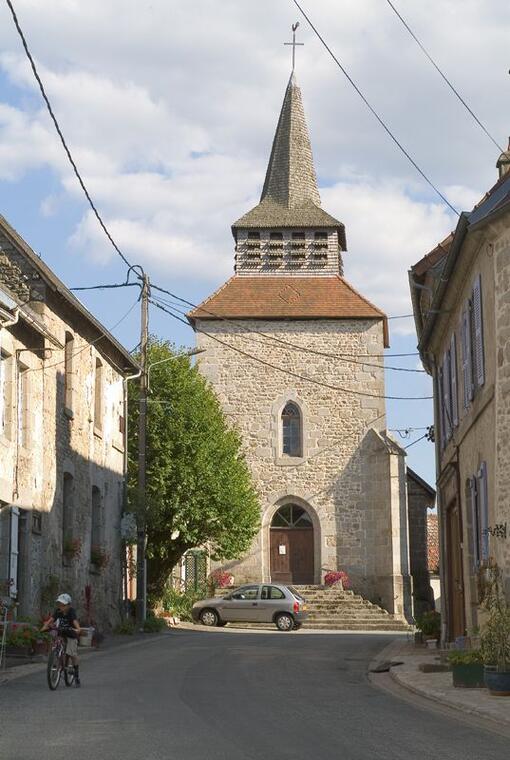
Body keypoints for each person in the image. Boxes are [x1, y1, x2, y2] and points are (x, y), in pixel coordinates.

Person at [42, 593, 81, 687]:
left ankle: (76, 675)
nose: (61, 606)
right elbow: (51, 620)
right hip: (61, 632)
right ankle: (56, 658)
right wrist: (44, 627)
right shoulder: (58, 611)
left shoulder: (71, 612)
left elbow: (75, 622)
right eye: (59, 604)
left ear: (68, 605)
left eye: (63, 605)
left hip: (70, 633)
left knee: (72, 653)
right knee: (55, 640)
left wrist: (78, 629)